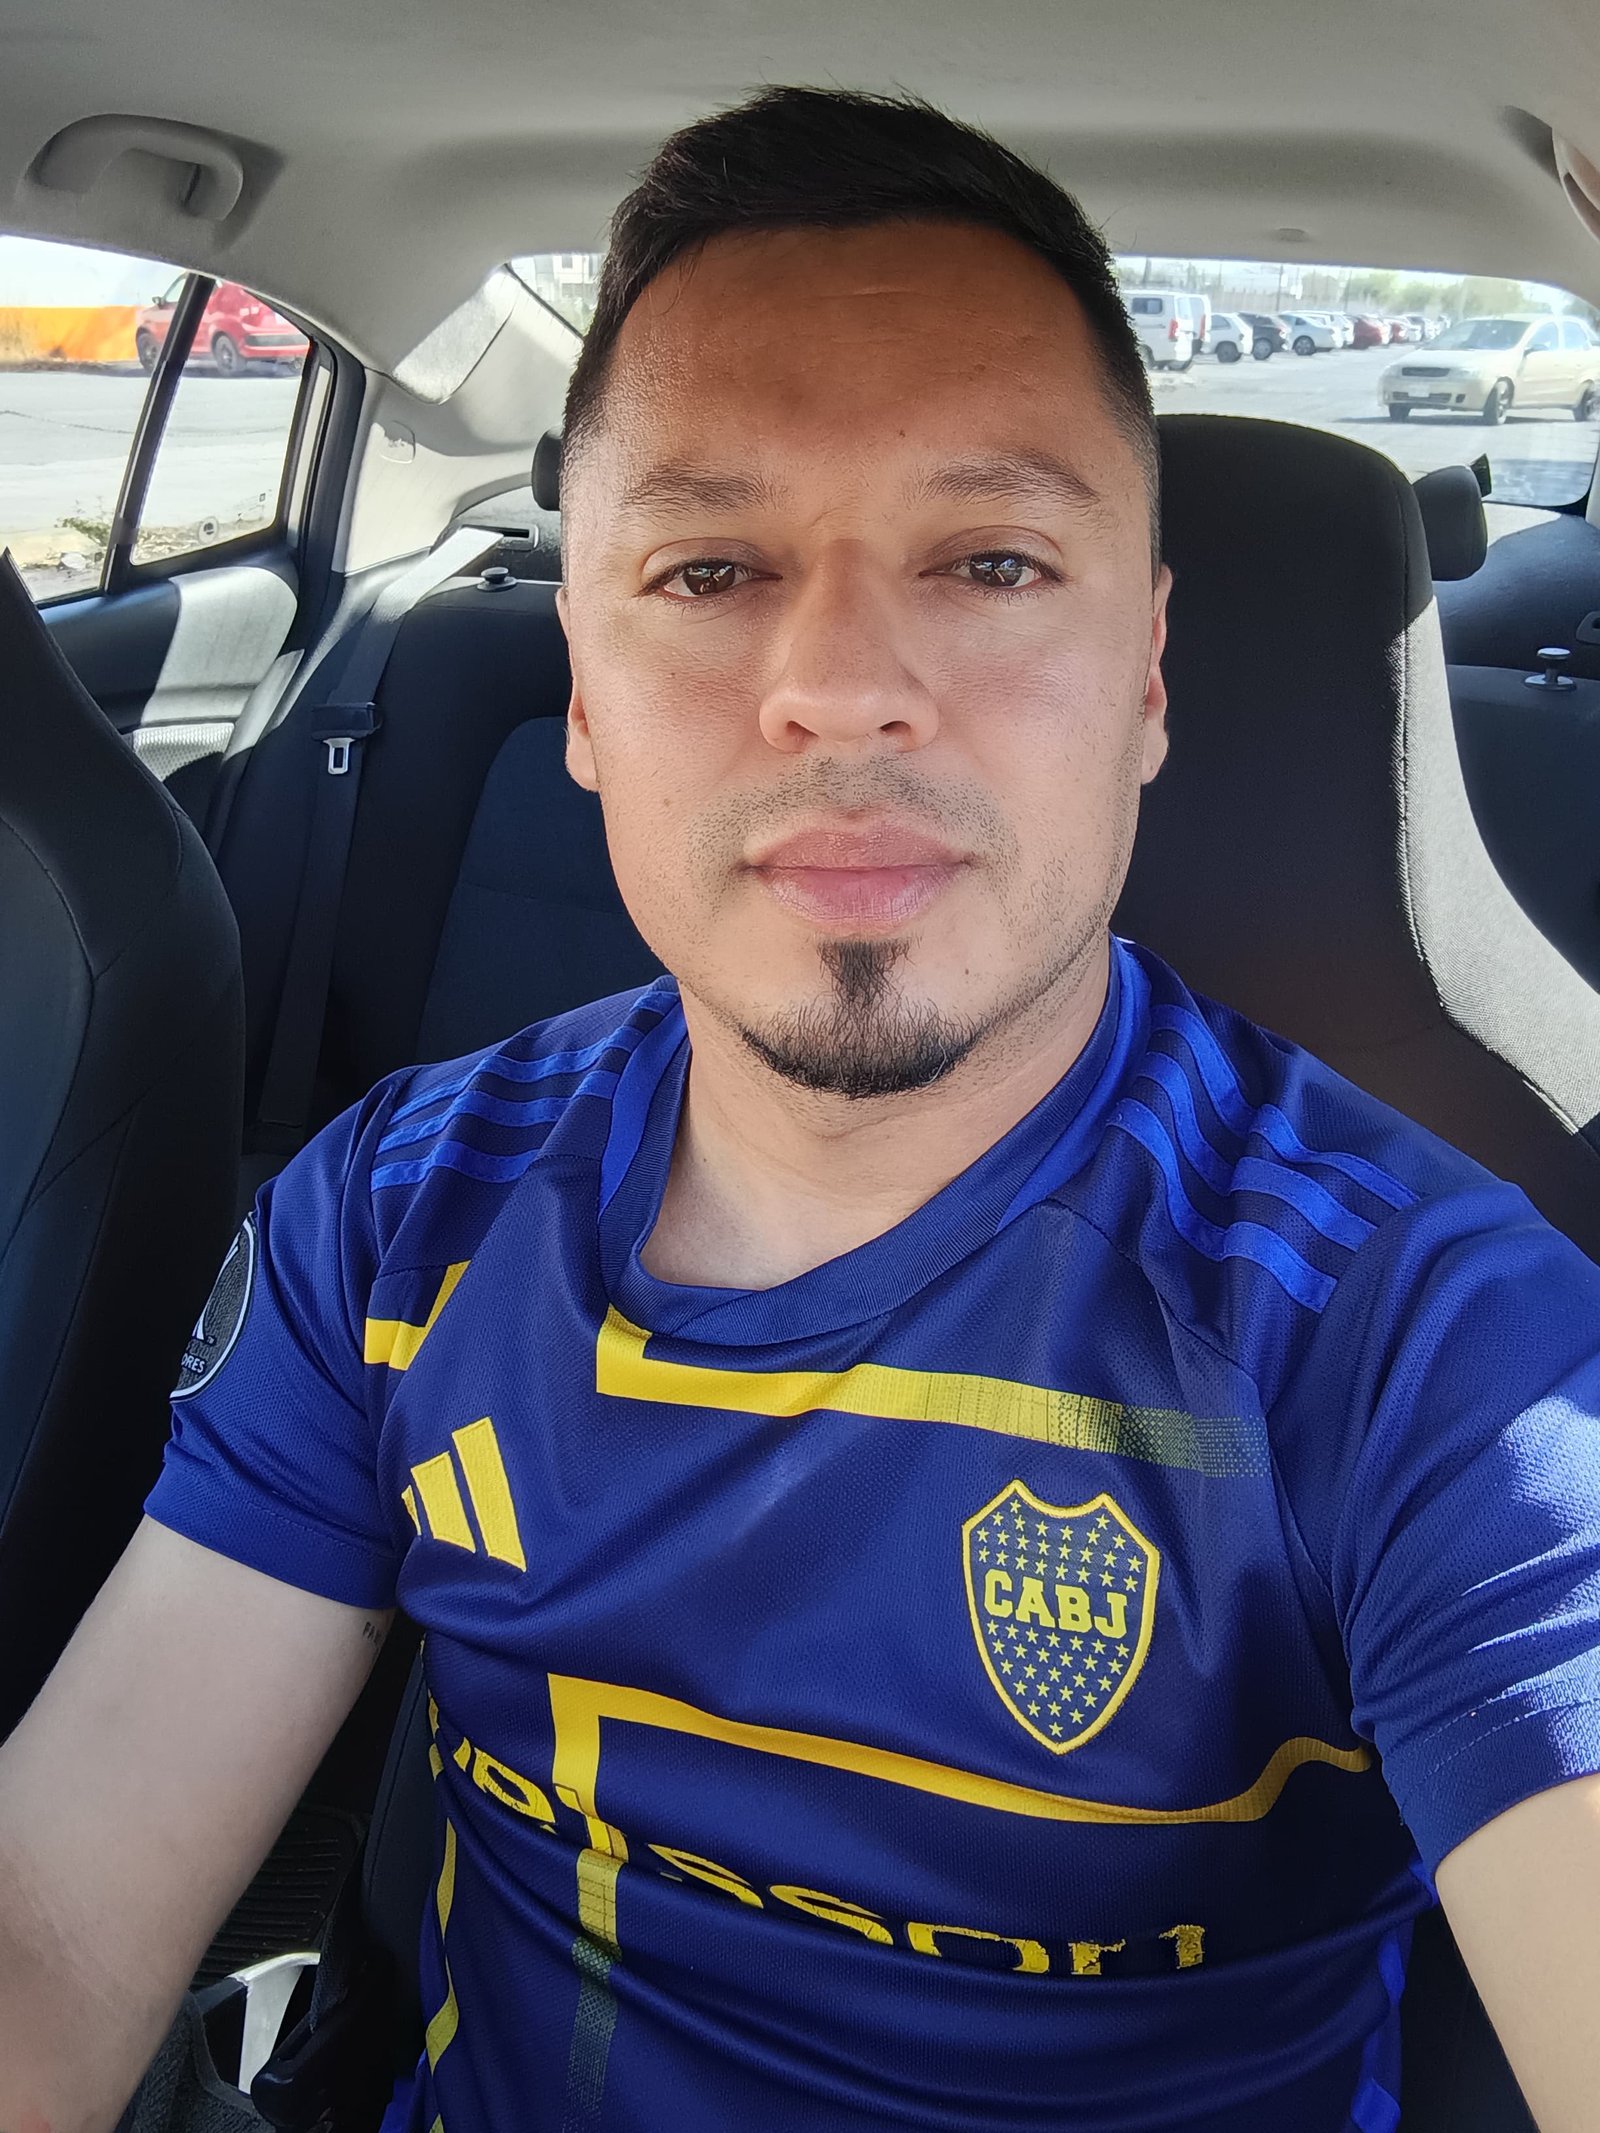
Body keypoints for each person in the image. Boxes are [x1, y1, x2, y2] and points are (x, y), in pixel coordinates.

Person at [4, 84, 1600, 2133]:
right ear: (583, 691)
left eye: (993, 558)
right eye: (708, 568)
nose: (839, 684)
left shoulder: (1421, 1339)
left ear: (1143, 677)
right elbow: (58, 1920)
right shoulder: (393, 1218)